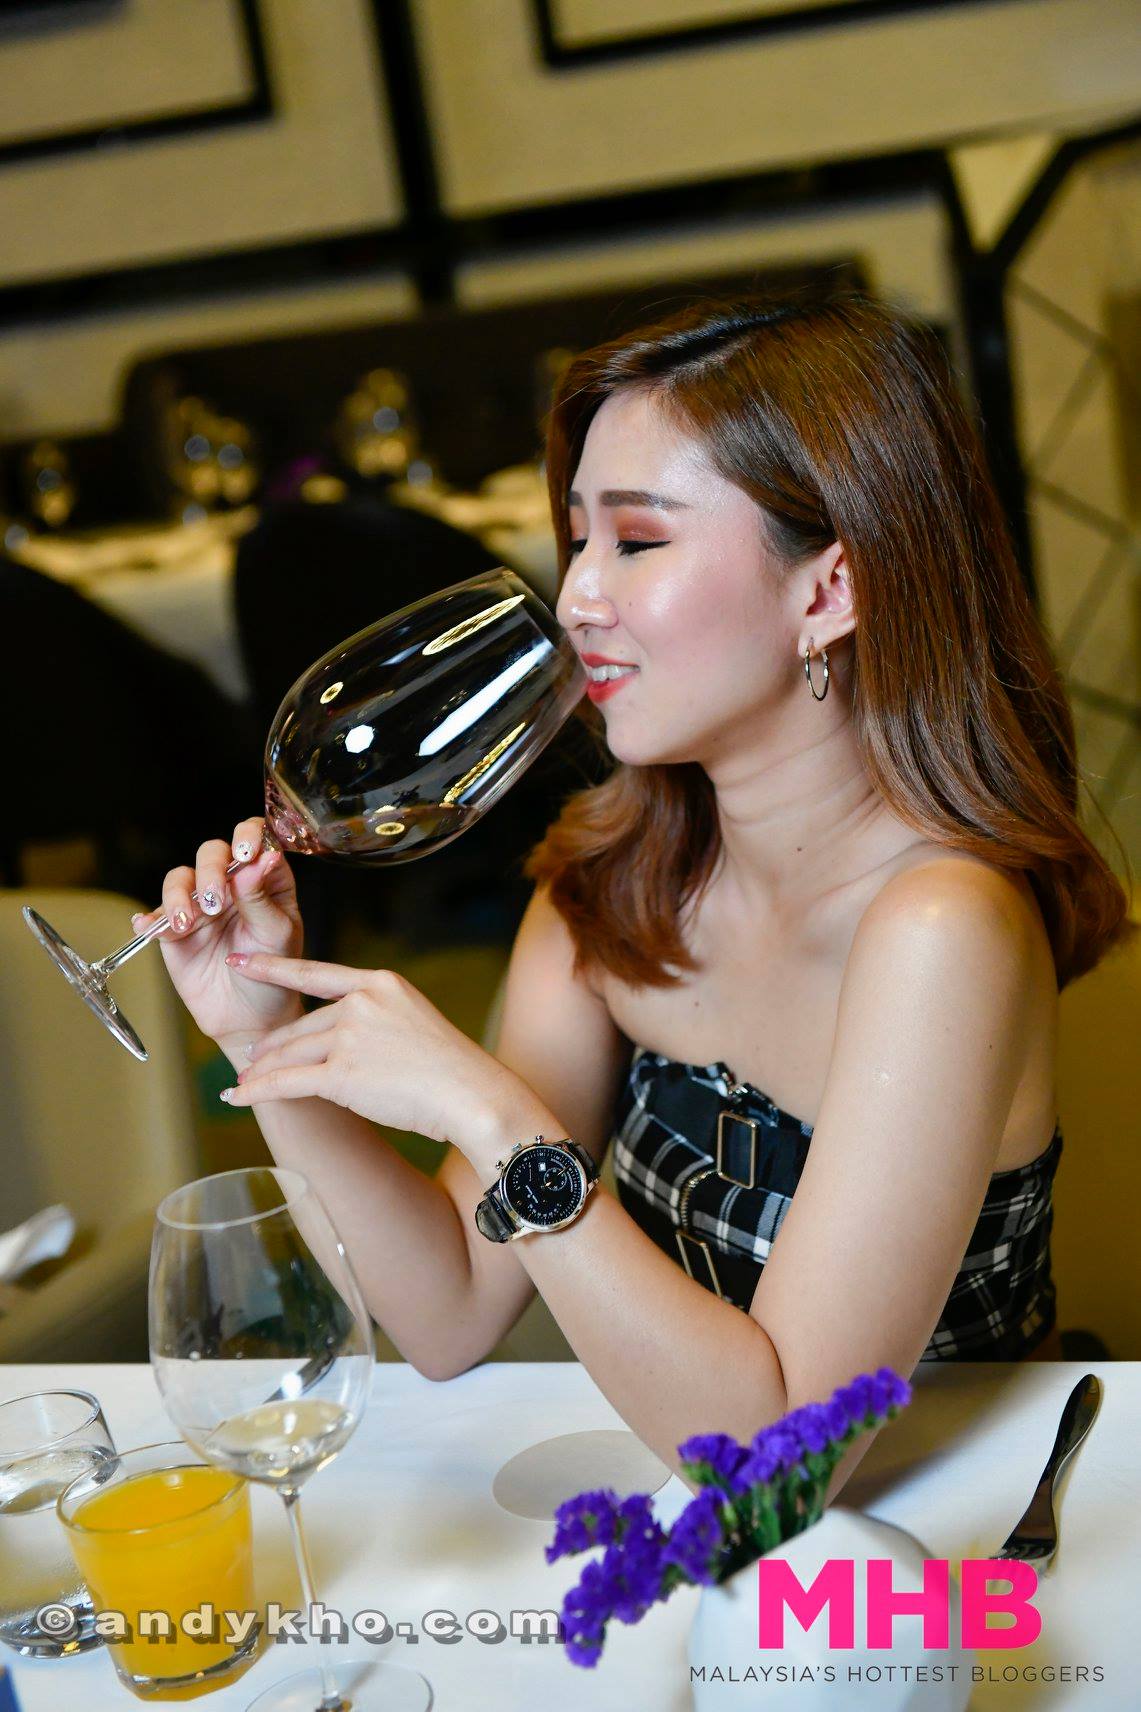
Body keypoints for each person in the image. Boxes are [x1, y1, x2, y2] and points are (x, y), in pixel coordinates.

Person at [142, 293, 1133, 1502]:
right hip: (718, 1558)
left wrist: (493, 1114)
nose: (574, 597)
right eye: (577, 539)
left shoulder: (942, 926)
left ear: (829, 590)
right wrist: (265, 1033)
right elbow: (446, 1310)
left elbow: (776, 1468)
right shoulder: (611, 886)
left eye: (638, 540)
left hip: (961, 1547)